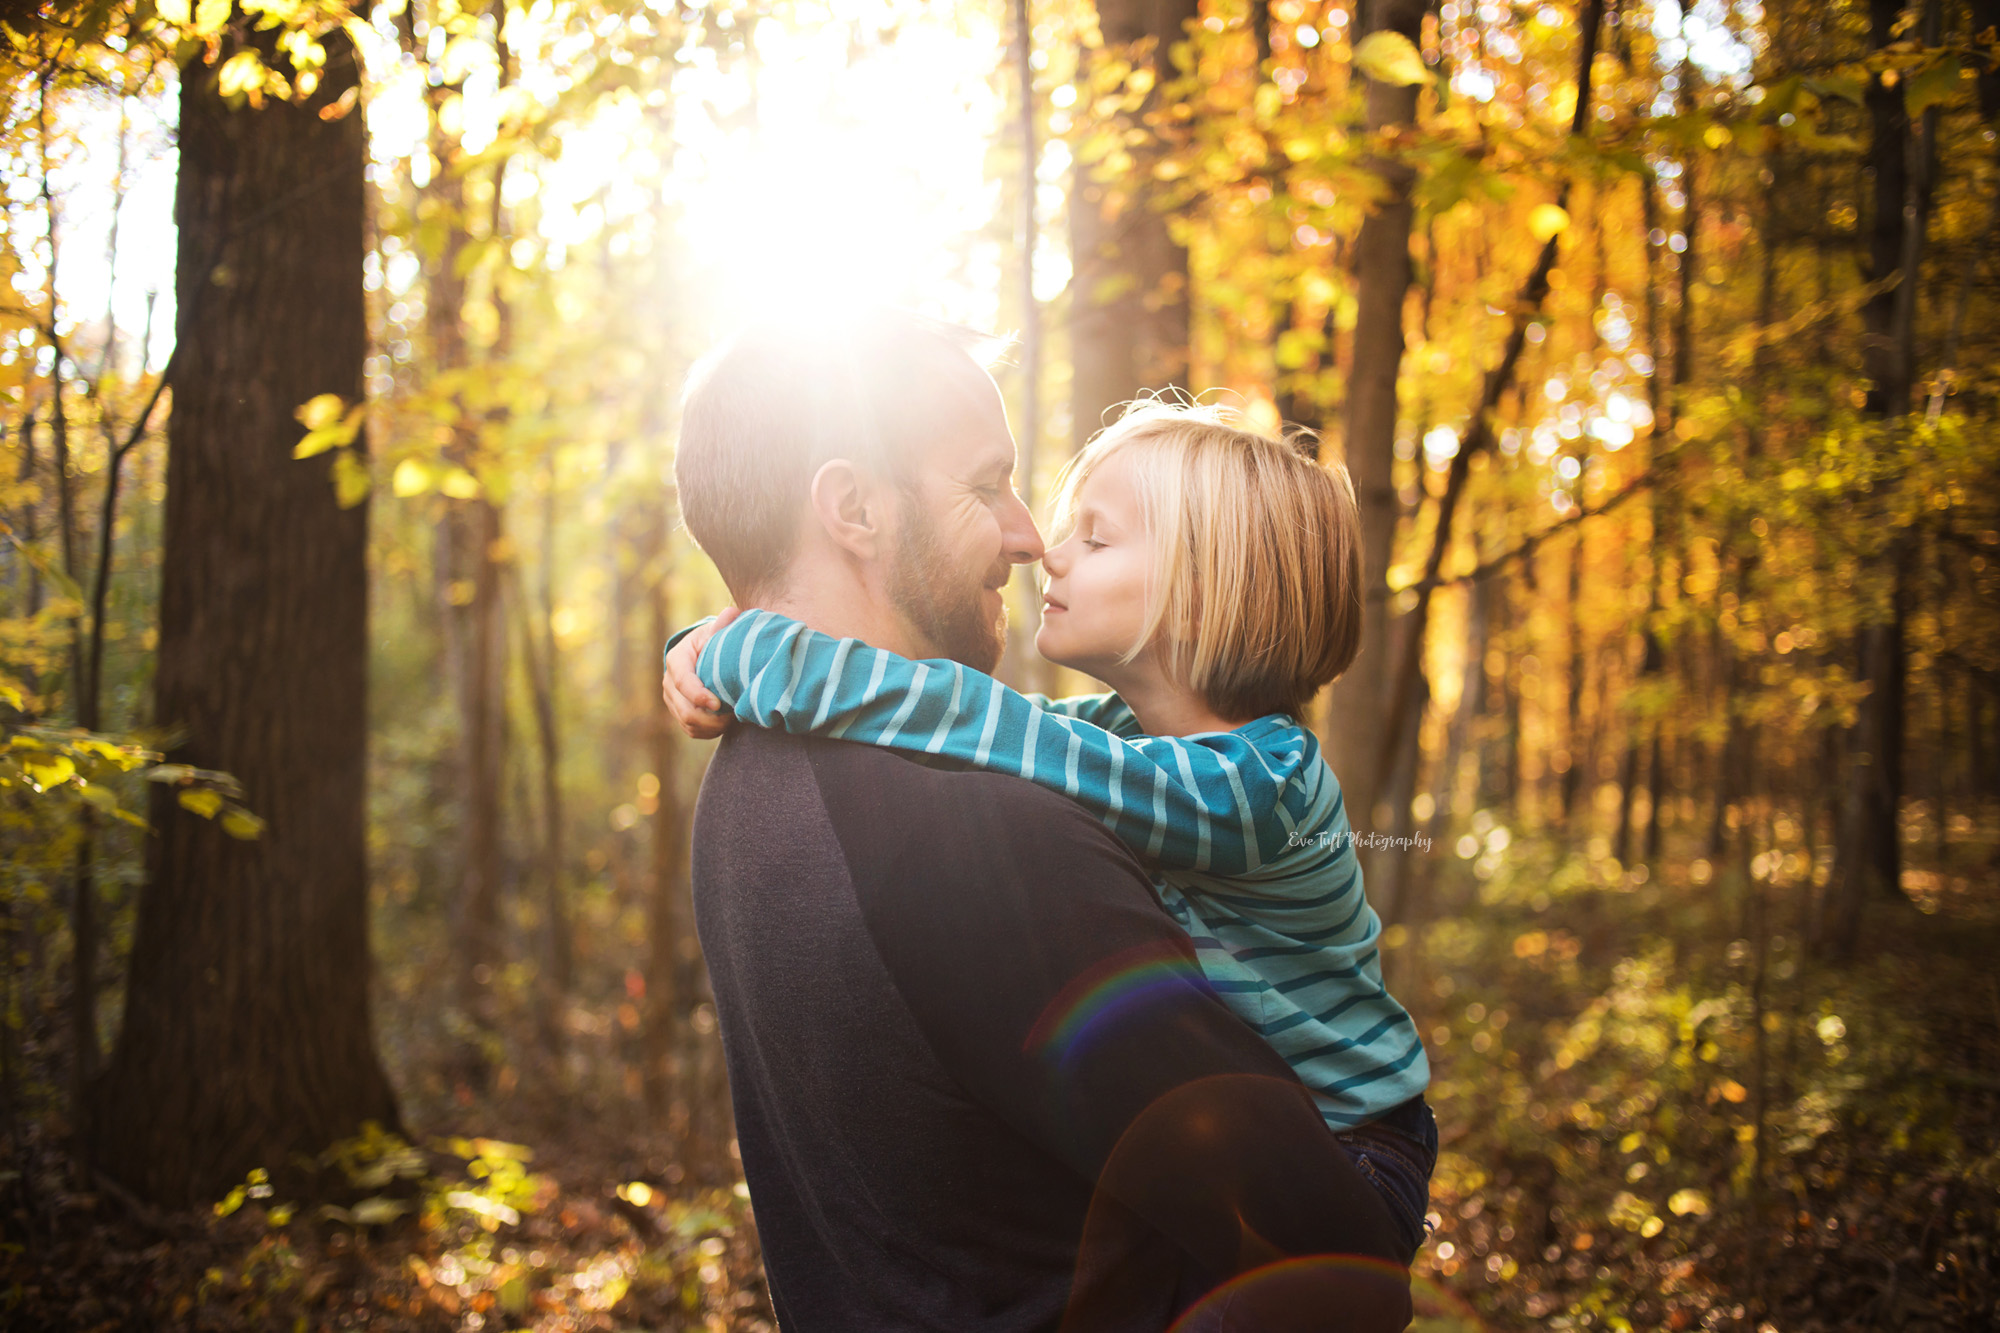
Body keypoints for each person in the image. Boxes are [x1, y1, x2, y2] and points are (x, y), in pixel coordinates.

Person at [664, 308, 1416, 1331]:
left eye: (1090, 534)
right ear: (853, 509)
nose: (1031, 540)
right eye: (986, 486)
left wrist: (731, 649)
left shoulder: (748, 776)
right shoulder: (979, 844)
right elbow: (1341, 1264)